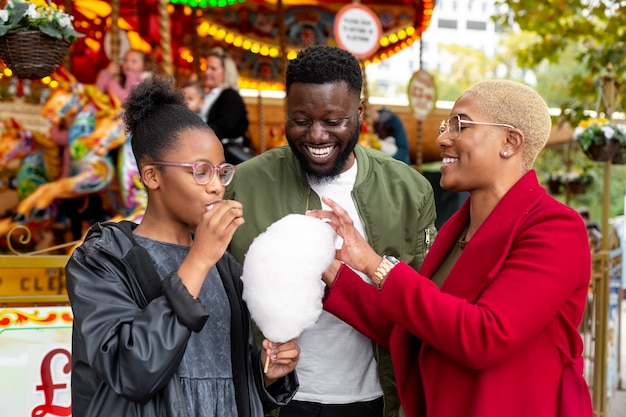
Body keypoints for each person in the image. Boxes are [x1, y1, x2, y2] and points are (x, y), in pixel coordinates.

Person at [307, 80, 594, 417]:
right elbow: (416, 325)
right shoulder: (457, 228)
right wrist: (332, 271)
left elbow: (485, 337)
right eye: (446, 126)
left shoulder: (557, 228)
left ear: (510, 142)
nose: (442, 138)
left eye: (459, 124)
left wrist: (376, 265)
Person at [65, 76, 300, 417]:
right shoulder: (102, 261)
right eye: (200, 172)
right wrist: (199, 259)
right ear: (152, 176)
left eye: (221, 172)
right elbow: (132, 371)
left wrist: (266, 372)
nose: (217, 187)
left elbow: (223, 378)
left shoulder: (226, 266)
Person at [225, 45, 437, 417]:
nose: (316, 136)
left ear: (359, 114)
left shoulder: (408, 191)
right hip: (279, 401)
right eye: (301, 120)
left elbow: (426, 308)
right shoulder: (243, 185)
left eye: (333, 120)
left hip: (375, 399)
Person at [201, 46, 254, 164]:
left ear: (225, 72)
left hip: (227, 158)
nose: (207, 72)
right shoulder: (207, 95)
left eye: (213, 69)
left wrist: (196, 134)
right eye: (206, 67)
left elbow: (222, 127)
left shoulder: (230, 96)